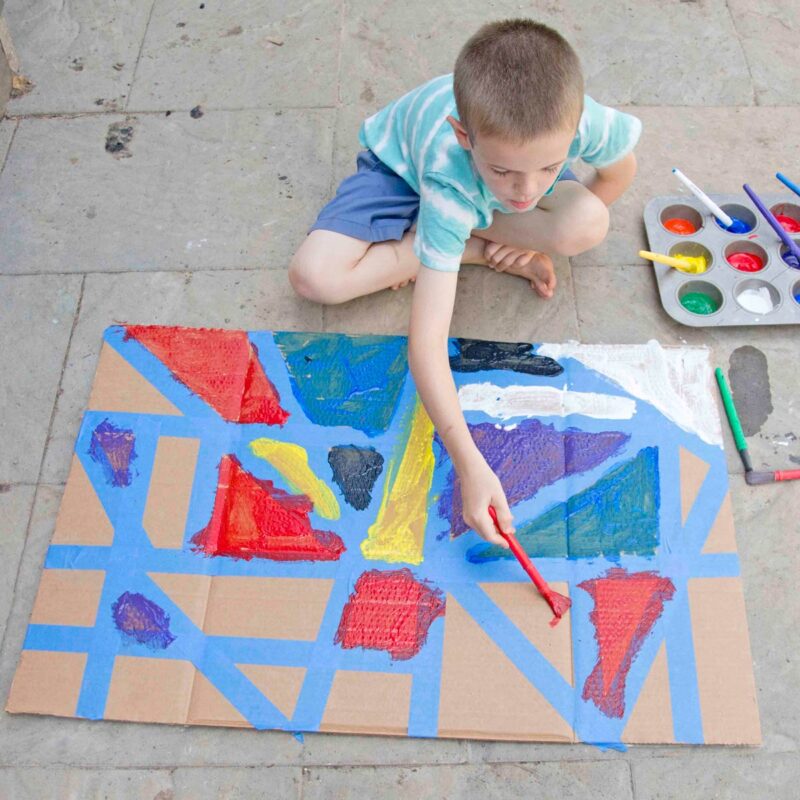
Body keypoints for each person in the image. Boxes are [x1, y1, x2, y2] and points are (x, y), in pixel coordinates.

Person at [288, 19, 641, 548]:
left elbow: (618, 174)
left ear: (574, 131)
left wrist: (533, 216)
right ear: (464, 137)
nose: (526, 192)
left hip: (469, 191)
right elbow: (426, 343)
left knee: (587, 221)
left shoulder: (577, 124)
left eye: (550, 166)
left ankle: (450, 244)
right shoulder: (447, 176)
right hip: (402, 170)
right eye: (504, 173)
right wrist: (469, 462)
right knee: (314, 277)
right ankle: (463, 249)